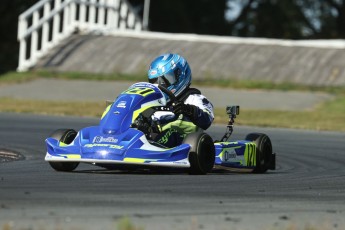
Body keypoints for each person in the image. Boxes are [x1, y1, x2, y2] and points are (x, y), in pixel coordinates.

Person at [147, 53, 214, 148]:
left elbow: (207, 119)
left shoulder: (194, 98)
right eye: (154, 81)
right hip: (155, 138)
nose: (159, 85)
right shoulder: (154, 102)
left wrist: (188, 109)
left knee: (171, 134)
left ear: (180, 76)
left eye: (164, 80)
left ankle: (151, 150)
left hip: (186, 143)